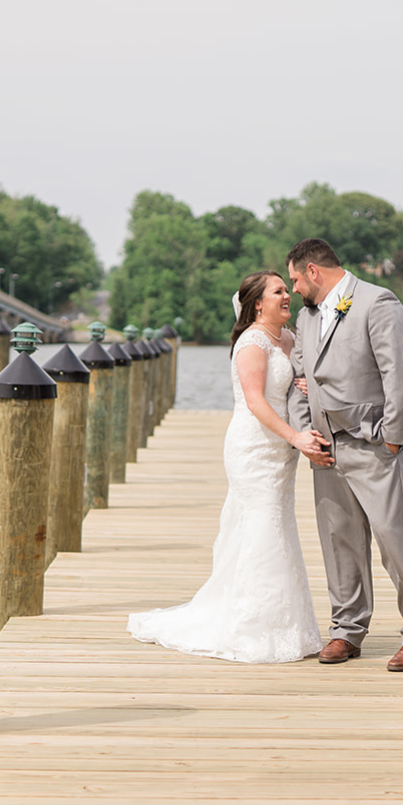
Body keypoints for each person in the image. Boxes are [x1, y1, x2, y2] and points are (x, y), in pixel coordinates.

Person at [127, 271, 327, 663]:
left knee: (277, 527)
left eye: (287, 290)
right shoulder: (252, 343)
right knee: (262, 527)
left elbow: (290, 385)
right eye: (278, 291)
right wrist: (296, 438)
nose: (288, 296)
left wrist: (303, 387)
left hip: (280, 451)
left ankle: (288, 625)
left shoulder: (288, 339)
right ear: (257, 304)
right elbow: (255, 402)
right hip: (254, 448)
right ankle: (253, 627)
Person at [286, 238, 403, 672]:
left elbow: (399, 372)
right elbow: (301, 376)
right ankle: (347, 629)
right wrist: (305, 433)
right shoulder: (306, 316)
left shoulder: (378, 303)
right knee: (339, 540)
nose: (294, 288)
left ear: (313, 271)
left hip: (371, 442)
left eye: (296, 279)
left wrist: (393, 438)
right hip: (325, 447)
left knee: (394, 538)